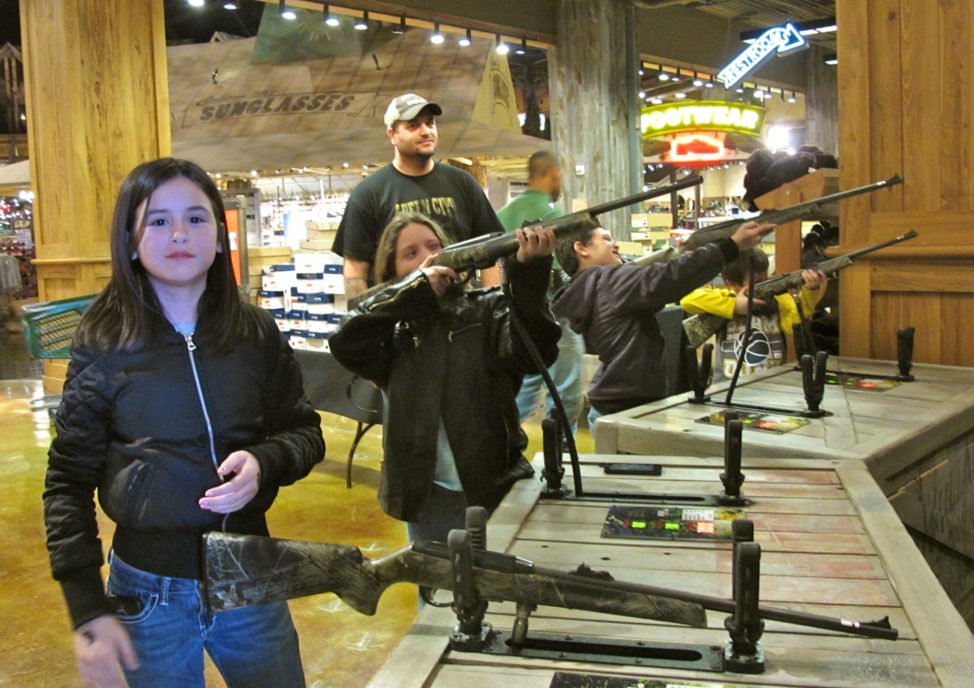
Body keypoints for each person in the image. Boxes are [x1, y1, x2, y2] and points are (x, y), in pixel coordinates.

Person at [43, 158, 325, 688]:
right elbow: (67, 481)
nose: (179, 234)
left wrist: (266, 463)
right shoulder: (104, 343)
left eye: (196, 219)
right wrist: (86, 607)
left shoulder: (255, 331)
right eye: (157, 220)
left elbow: (305, 433)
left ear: (220, 237)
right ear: (130, 240)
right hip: (148, 597)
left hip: (251, 579)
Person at [329, 212, 560, 544]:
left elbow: (533, 353)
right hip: (426, 497)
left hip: (496, 487)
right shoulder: (391, 333)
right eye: (410, 255)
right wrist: (415, 292)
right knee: (433, 590)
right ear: (394, 274)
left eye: (434, 247)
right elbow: (344, 341)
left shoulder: (487, 311)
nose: (427, 258)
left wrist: (529, 272)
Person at [551, 221, 774, 425]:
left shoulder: (589, 287)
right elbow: (671, 277)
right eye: (606, 239)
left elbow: (652, 280)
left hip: (615, 401)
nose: (615, 244)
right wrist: (731, 246)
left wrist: (689, 250)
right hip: (627, 406)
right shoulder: (609, 281)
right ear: (582, 248)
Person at [331, 93, 504, 297]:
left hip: (461, 317)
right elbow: (355, 274)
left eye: (430, 123)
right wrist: (368, 322)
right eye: (413, 126)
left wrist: (490, 307)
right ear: (392, 135)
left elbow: (490, 256)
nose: (426, 131)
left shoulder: (463, 183)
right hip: (399, 321)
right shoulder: (369, 194)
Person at [496, 151, 584, 435]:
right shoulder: (553, 217)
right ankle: (561, 459)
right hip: (553, 317)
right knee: (567, 393)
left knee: (526, 384)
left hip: (516, 317)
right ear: (553, 173)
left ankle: (503, 439)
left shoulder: (503, 214)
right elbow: (563, 274)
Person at [681, 247, 827, 382]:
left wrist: (810, 291)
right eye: (757, 282)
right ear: (731, 283)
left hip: (771, 381)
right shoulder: (726, 297)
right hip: (726, 384)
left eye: (765, 280)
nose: (764, 285)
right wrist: (735, 306)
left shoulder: (778, 298)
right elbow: (687, 301)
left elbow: (793, 326)